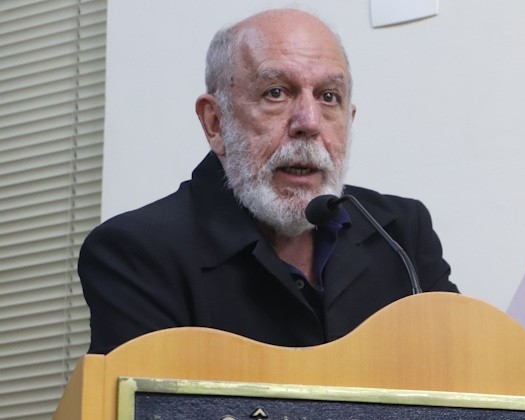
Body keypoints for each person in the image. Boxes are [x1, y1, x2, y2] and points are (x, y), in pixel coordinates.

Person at [78, 9, 458, 355]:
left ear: (349, 120)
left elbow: (466, 379)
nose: (309, 122)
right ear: (215, 123)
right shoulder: (137, 253)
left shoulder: (401, 236)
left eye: (329, 97)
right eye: (276, 93)